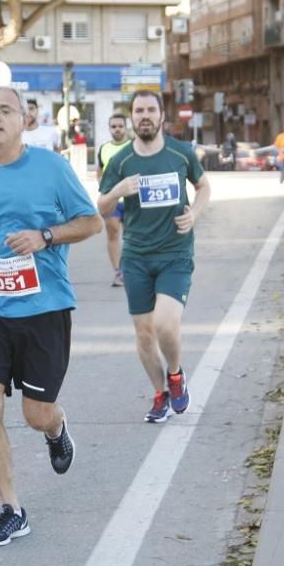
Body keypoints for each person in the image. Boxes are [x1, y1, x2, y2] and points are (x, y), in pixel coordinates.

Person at [0, 86, 102, 547]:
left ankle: (56, 428)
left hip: (45, 306)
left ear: (24, 120)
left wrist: (46, 236)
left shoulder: (51, 167)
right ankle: (12, 509)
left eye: (4, 110)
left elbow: (90, 221)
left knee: (36, 414)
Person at [97, 90, 211, 424]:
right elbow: (101, 207)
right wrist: (118, 191)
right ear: (132, 117)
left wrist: (195, 214)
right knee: (144, 332)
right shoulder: (121, 161)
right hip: (136, 257)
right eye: (138, 111)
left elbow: (204, 187)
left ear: (162, 116)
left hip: (175, 252)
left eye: (150, 110)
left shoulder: (181, 152)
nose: (144, 116)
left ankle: (175, 375)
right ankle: (160, 393)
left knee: (164, 324)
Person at [97, 113, 132, 286]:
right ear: (109, 128)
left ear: (125, 127)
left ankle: (132, 270)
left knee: (132, 237)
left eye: (120, 126)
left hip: (133, 200)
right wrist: (104, 191)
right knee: (112, 234)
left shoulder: (133, 146)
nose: (117, 129)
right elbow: (100, 170)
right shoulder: (104, 148)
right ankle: (118, 272)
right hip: (113, 201)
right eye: (113, 126)